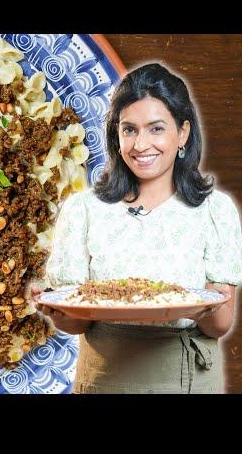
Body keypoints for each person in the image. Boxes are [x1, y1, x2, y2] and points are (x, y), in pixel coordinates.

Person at [30, 63, 242, 394]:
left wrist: (207, 307)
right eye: (129, 129)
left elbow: (221, 325)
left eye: (156, 129)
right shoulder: (84, 210)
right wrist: (56, 310)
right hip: (106, 375)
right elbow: (76, 322)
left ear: (183, 132)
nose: (141, 145)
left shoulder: (215, 211)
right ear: (116, 135)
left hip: (187, 375)